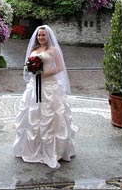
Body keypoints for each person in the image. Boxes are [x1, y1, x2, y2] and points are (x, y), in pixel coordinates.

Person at [13, 25, 76, 169]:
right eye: (39, 35)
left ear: (48, 37)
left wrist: (43, 74)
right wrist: (31, 70)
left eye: (44, 35)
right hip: (34, 87)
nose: (41, 37)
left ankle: (53, 150)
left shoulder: (53, 50)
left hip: (49, 87)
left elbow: (60, 68)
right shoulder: (34, 50)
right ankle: (32, 148)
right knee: (32, 116)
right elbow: (27, 67)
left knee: (51, 118)